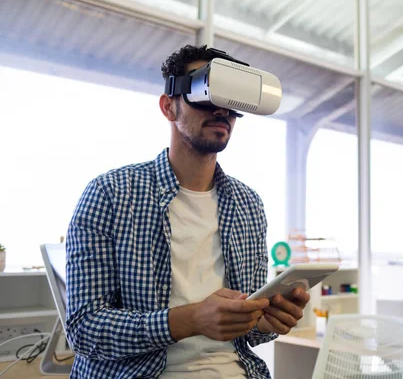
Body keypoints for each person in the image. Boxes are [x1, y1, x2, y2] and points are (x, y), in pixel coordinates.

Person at [64, 45, 309, 379]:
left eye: (233, 103)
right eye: (207, 94)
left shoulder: (249, 205)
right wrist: (191, 319)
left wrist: (265, 320)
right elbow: (83, 330)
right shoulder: (111, 194)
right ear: (169, 106)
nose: (222, 110)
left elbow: (250, 333)